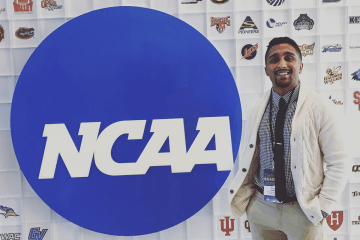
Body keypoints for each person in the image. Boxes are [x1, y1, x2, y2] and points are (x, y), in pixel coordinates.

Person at [228, 37, 350, 240]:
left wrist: (323, 207)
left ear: (300, 66)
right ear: (267, 69)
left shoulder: (320, 108)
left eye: (289, 58)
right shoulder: (256, 109)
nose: (282, 64)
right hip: (262, 209)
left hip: (302, 211)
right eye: (274, 59)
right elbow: (250, 158)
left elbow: (340, 162)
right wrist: (252, 204)